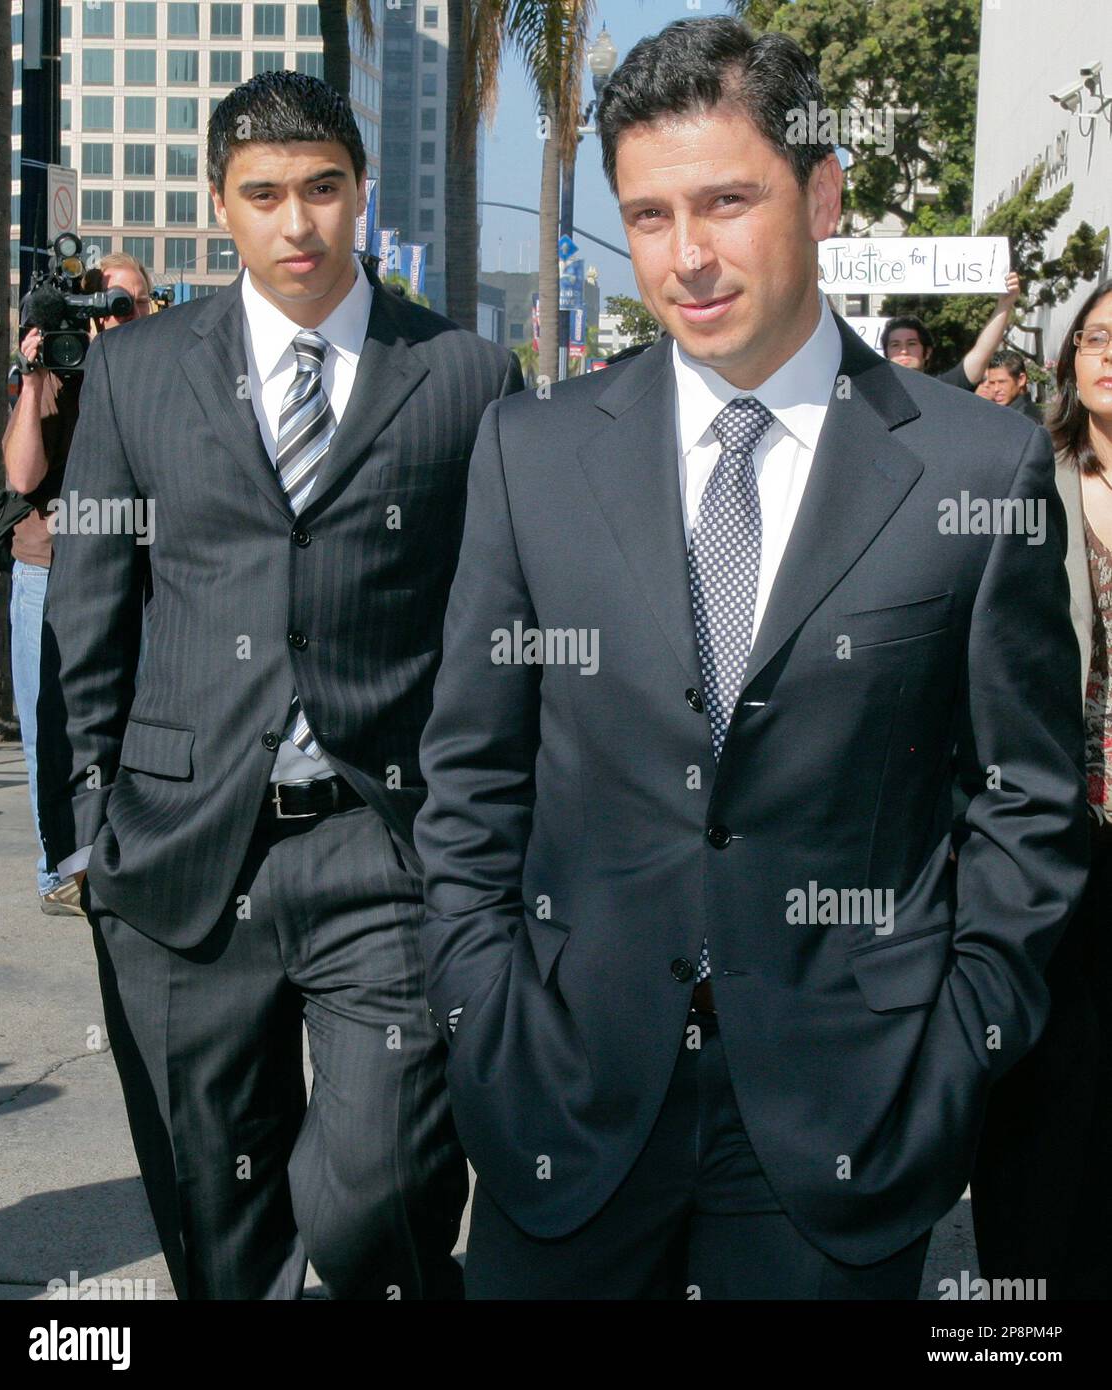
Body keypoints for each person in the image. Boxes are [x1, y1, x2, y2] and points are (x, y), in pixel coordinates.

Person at [412, 14, 1089, 1300]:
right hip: (561, 1092)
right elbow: (470, 774)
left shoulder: (971, 466)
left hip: (845, 1116)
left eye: (726, 201)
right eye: (650, 215)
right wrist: (484, 1012)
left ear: (821, 194)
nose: (687, 256)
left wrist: (951, 1044)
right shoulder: (529, 452)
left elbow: (1026, 802)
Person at [36, 71, 521, 1301]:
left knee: (382, 1201)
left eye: (321, 189)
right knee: (219, 1230)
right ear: (219, 208)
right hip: (178, 853)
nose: (295, 223)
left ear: (360, 194)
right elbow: (89, 610)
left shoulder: (466, 375)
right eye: (263, 195)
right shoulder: (140, 373)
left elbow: (502, 627)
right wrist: (89, 833)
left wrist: (493, 840)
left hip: (388, 849)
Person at [971, 279, 1112, 1299]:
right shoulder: (1026, 473)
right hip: (1056, 824)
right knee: (1048, 1081)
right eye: (1093, 337)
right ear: (1063, 360)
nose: (1107, 354)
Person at [2, 251, 152, 916]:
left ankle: (117, 862)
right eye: (109, 303)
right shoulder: (62, 373)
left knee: (137, 721)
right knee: (48, 726)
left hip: (139, 572)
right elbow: (23, 479)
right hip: (50, 567)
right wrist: (34, 380)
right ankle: (57, 868)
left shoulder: (162, 376)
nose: (120, 316)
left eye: (134, 304)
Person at [881, 270, 1022, 389]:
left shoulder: (942, 389)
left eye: (911, 343)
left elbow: (981, 353)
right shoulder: (872, 397)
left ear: (927, 352)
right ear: (886, 352)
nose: (904, 351)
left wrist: (1005, 304)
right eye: (895, 345)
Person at [984, 348, 1043, 421]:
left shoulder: (1027, 420)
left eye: (1002, 382)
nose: (996, 389)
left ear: (1021, 380)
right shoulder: (1001, 414)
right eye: (992, 383)